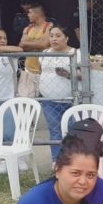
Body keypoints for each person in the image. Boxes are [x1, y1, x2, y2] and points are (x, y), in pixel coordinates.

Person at [38, 26, 79, 161]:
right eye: (51, 36)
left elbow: (84, 75)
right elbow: (41, 72)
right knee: (55, 130)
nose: (54, 39)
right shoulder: (44, 53)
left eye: (58, 36)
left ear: (66, 38)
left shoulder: (76, 53)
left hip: (71, 100)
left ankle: (72, 159)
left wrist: (68, 75)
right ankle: (56, 160)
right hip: (49, 100)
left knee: (71, 130)